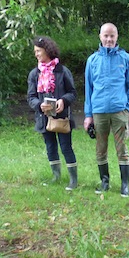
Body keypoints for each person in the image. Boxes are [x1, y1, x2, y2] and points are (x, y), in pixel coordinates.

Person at [83, 23, 129, 197]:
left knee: (121, 149)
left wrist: (127, 108)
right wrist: (88, 115)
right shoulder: (92, 60)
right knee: (100, 148)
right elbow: (88, 89)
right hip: (98, 111)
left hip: (119, 112)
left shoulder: (125, 59)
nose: (109, 39)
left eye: (112, 36)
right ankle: (105, 182)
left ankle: (125, 185)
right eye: (105, 36)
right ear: (100, 36)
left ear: (117, 37)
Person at [27, 36, 78, 190]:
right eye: (35, 51)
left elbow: (72, 93)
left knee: (66, 147)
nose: (36, 54)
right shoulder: (34, 74)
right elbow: (31, 97)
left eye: (38, 51)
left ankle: (73, 180)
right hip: (43, 118)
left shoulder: (62, 71)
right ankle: (56, 176)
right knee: (50, 146)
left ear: (47, 51)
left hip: (62, 118)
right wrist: (38, 105)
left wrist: (63, 101)